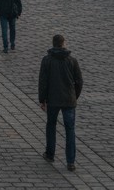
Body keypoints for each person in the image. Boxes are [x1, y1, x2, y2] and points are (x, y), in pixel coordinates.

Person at [38, 33, 84, 172]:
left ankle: (50, 154)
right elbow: (79, 81)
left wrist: (42, 99)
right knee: (70, 130)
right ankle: (70, 161)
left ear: (53, 44)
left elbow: (43, 82)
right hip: (69, 100)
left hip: (53, 100)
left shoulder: (47, 60)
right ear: (63, 44)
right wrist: (74, 96)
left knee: (51, 125)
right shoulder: (72, 60)